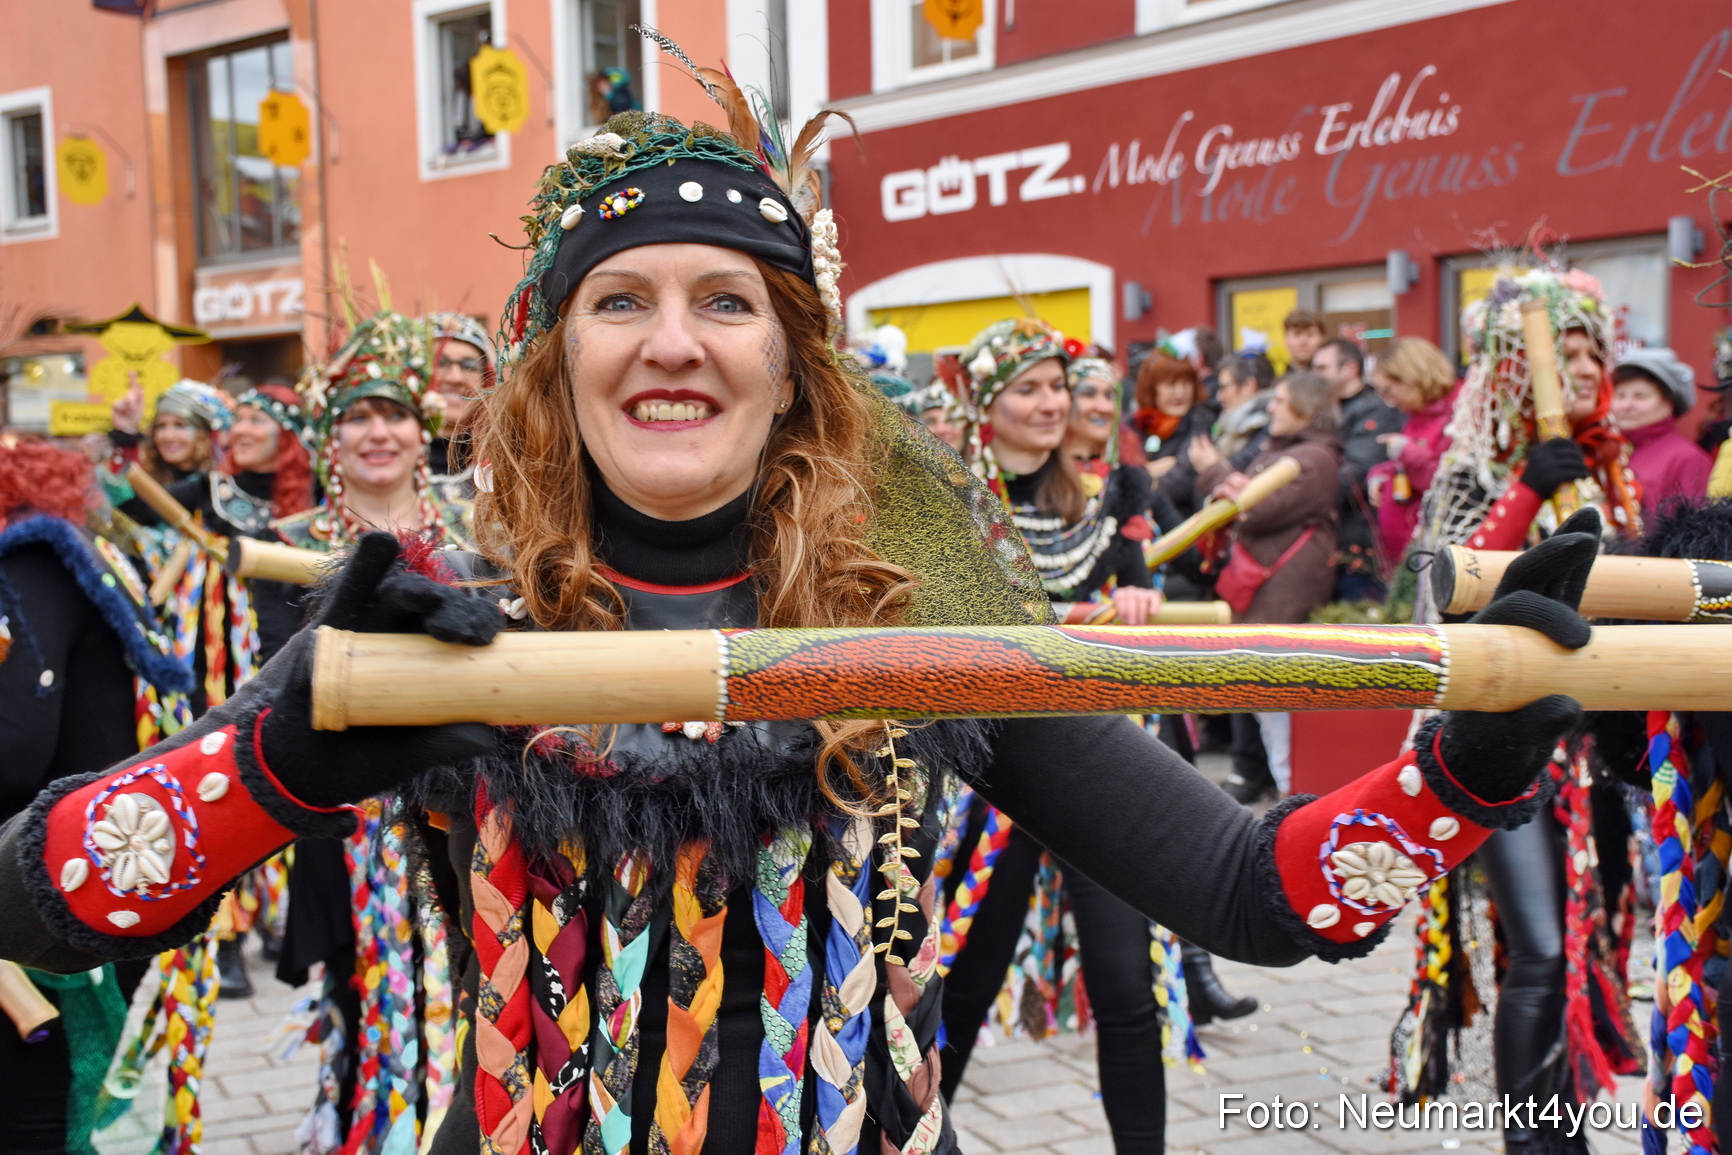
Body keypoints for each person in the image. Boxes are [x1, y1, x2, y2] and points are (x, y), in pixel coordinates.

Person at [0, 92, 1595, 1155]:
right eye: (620, 299)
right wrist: (294, 747)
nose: (672, 340)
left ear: (792, 362)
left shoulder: (923, 625)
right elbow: (48, 895)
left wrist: (1463, 774)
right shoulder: (439, 622)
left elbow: (1259, 895)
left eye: (727, 299)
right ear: (554, 364)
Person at [1394, 269, 1645, 1154]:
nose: (1577, 368)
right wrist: (1527, 493)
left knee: (1588, 941)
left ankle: (1564, 1132)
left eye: (1591, 353)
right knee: (1536, 950)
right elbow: (1438, 606)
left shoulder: (1612, 469)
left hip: (1598, 752)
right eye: (1560, 351)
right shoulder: (1472, 469)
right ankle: (1531, 1143)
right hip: (1498, 738)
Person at [257, 310, 475, 1150]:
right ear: (330, 440)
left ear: (422, 435)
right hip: (345, 817)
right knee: (362, 1009)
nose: (377, 432)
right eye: (356, 416)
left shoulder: (477, 529)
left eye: (394, 416)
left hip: (464, 799)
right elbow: (272, 688)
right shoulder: (284, 545)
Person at [0, 436, 197, 1155]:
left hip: (43, 911)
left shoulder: (27, 549)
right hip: (67, 893)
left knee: (37, 1120)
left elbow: (11, 747)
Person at [1189, 372, 1343, 804]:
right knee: (1257, 692)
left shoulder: (1312, 459)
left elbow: (1254, 510)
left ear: (1307, 410)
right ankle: (1270, 781)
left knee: (1276, 698)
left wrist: (1213, 469)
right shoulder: (1285, 452)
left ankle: (1293, 794)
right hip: (1263, 587)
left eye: (1279, 400)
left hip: (1283, 592)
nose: (1269, 407)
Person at [1313, 337, 1402, 602]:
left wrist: (1305, 491)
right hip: (1333, 541)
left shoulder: (1375, 411)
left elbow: (1354, 475)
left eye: (1322, 369)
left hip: (1360, 546)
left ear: (1350, 369)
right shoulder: (1326, 410)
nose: (1314, 376)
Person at [1366, 337, 1458, 574]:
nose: (1388, 400)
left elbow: (1444, 480)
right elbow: (1402, 465)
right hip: (1410, 556)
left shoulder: (1457, 414)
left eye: (1388, 390)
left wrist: (1405, 451)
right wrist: (1379, 474)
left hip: (1433, 555)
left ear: (1410, 378)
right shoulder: (1419, 415)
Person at [1611, 347, 1710, 523]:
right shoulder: (1607, 451)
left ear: (1668, 404)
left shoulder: (1688, 458)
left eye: (1641, 396)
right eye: (1620, 395)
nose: (1626, 405)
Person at [425, 312, 495, 502]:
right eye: (440, 362)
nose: (455, 377)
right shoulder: (379, 465)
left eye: (469, 366)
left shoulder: (508, 468)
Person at [107, 378, 223, 487]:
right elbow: (121, 494)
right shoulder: (148, 482)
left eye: (180, 425)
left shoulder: (220, 485)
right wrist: (126, 431)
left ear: (202, 434)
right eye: (161, 426)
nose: (169, 437)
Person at [1281, 308, 1327, 374]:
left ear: (1323, 339)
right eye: (1296, 334)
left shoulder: (1333, 381)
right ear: (1285, 340)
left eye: (1310, 334)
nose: (1303, 342)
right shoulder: (1275, 382)